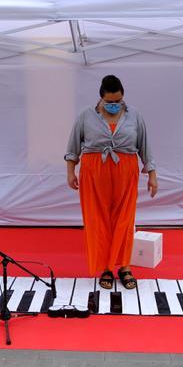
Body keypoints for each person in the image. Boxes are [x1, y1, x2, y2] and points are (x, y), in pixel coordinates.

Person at [65, 75, 157, 290]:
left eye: (118, 101)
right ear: (101, 98)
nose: (115, 105)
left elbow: (145, 146)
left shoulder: (134, 116)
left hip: (126, 171)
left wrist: (152, 175)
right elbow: (72, 148)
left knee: (124, 219)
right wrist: (71, 172)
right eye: (110, 102)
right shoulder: (86, 116)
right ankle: (105, 267)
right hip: (93, 171)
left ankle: (124, 266)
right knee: (98, 220)